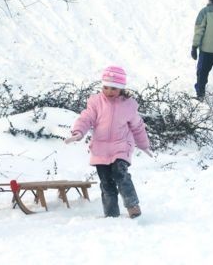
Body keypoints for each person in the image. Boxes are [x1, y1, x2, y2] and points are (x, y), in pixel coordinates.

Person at [64, 66, 151, 218]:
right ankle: (111, 214)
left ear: (122, 88)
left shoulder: (128, 106)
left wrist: (144, 145)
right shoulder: (96, 102)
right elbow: (86, 118)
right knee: (106, 183)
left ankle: (132, 205)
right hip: (100, 150)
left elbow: (137, 126)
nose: (109, 91)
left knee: (120, 174)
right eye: (106, 87)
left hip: (121, 147)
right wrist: (78, 133)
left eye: (113, 88)